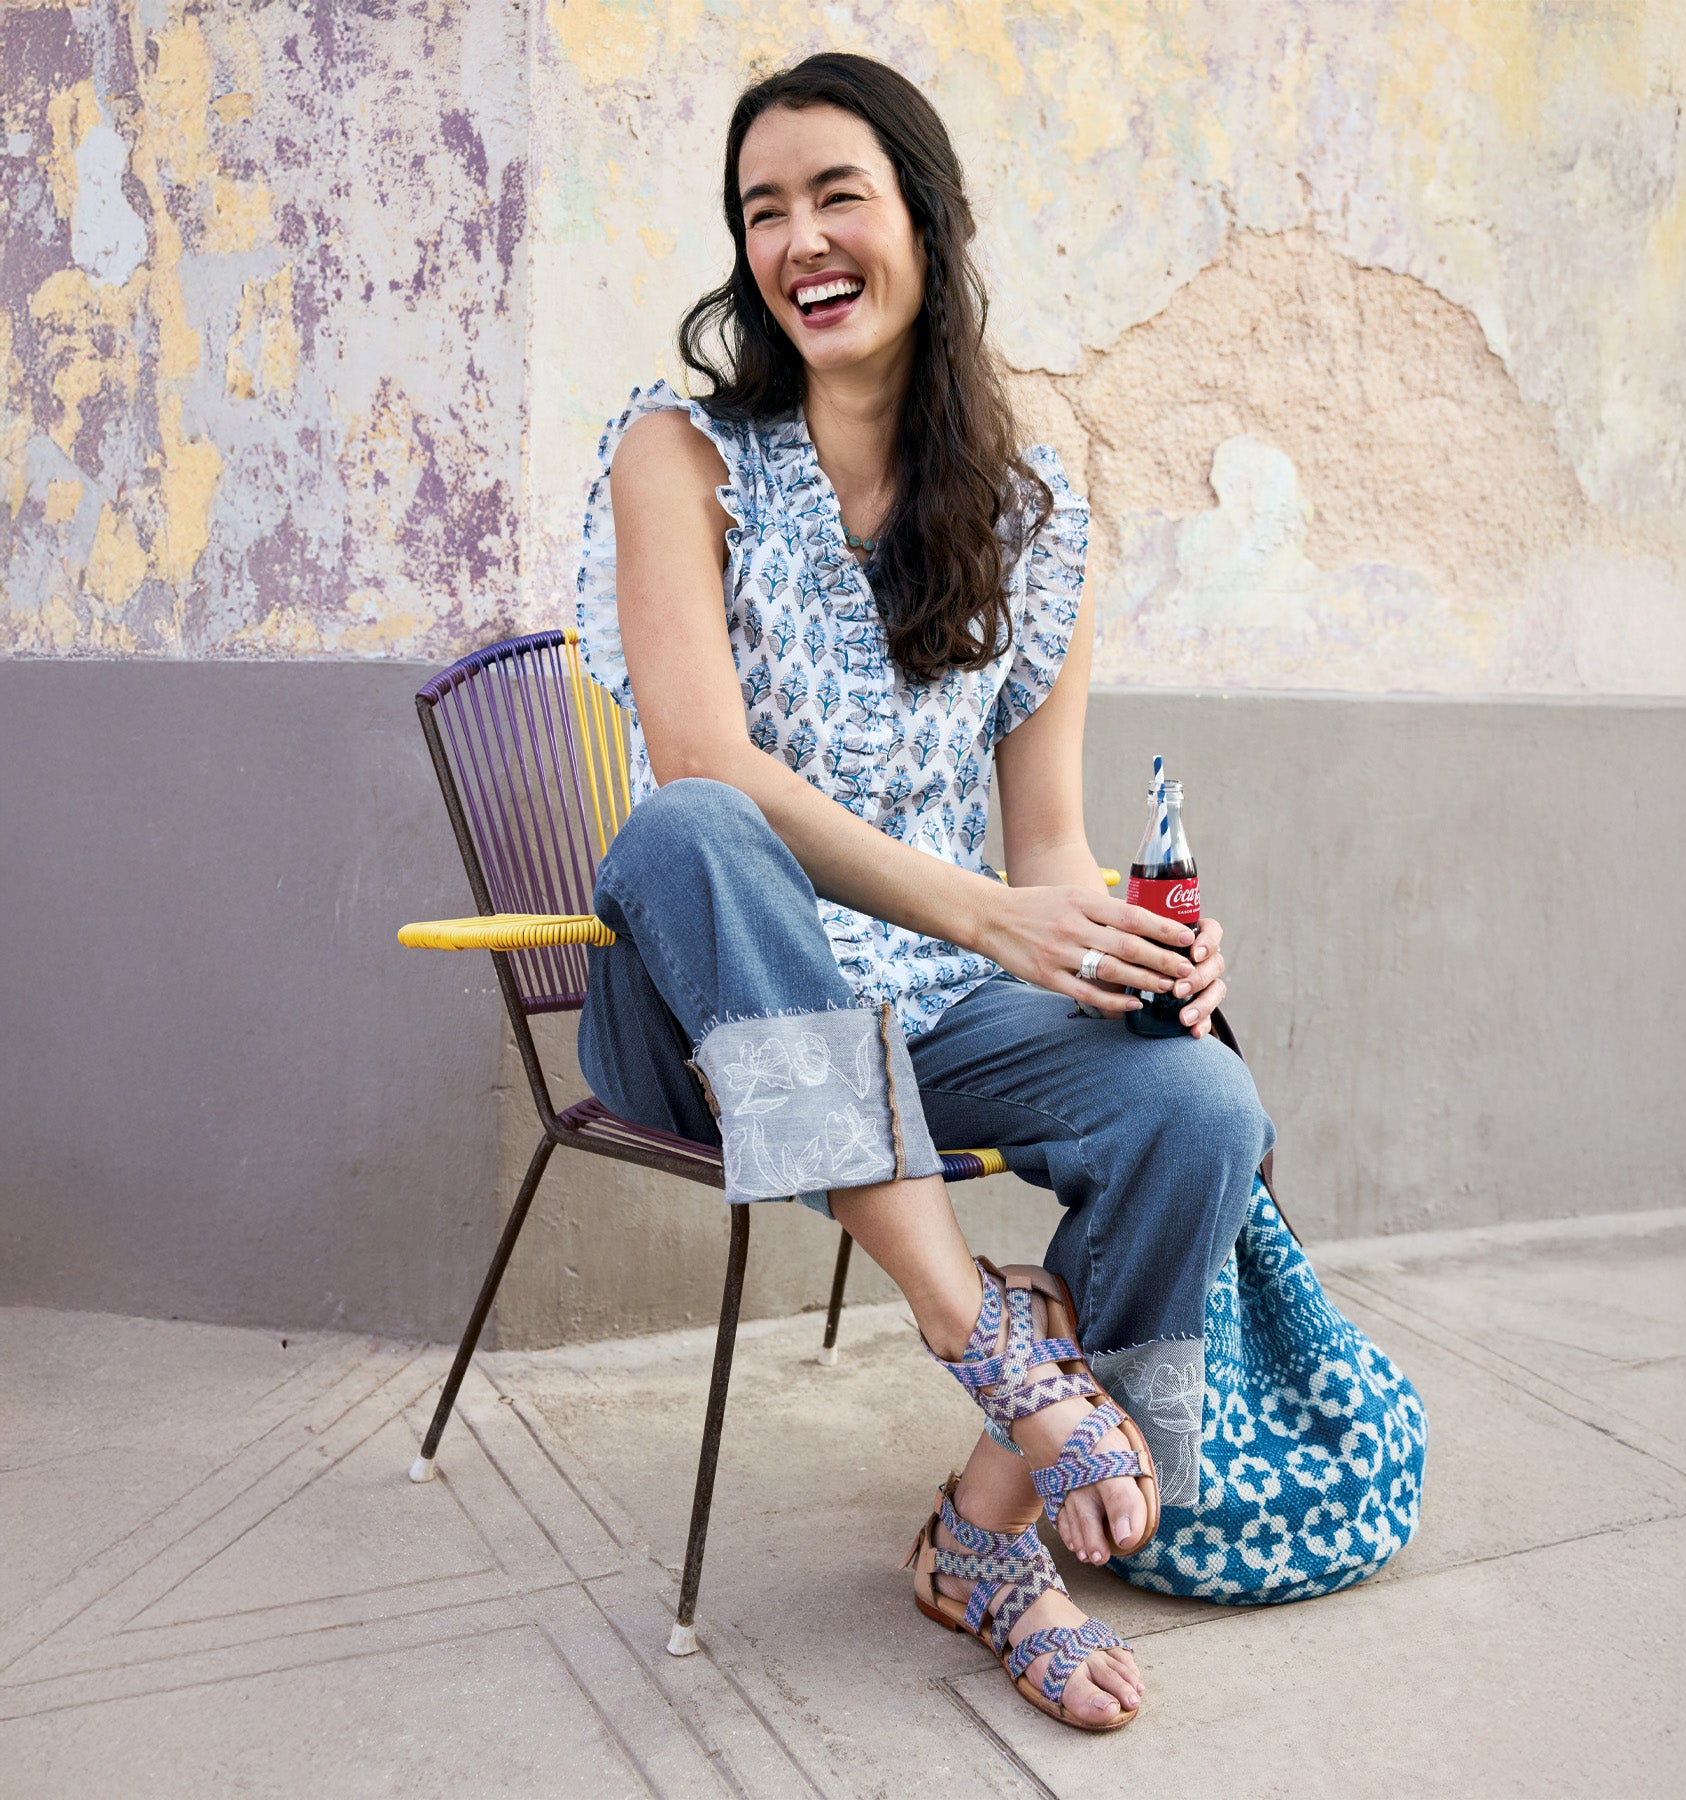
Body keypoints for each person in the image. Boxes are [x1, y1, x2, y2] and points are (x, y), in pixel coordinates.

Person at [573, 51, 1275, 1732]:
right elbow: (704, 758)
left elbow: (1048, 855)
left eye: (838, 195)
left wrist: (1142, 948)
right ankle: (988, 1335)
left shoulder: (1036, 524)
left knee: (1198, 1103)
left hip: (931, 1016)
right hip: (706, 1007)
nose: (797, 239)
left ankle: (983, 1535)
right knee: (687, 825)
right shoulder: (680, 456)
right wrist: (982, 916)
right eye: (763, 210)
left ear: (928, 222)